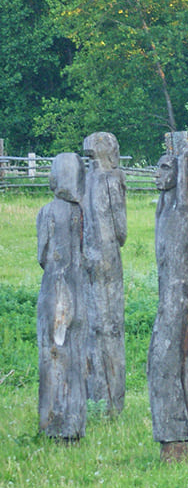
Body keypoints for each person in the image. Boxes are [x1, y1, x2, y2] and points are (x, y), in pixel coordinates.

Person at [147, 134, 188, 461]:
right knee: (163, 364)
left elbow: (186, 184)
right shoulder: (163, 205)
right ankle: (182, 438)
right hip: (166, 297)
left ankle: (179, 436)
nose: (158, 174)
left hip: (177, 299)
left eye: (165, 168)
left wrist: (184, 150)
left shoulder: (184, 206)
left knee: (165, 364)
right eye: (157, 168)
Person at [37, 153, 87, 440]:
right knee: (75, 352)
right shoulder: (81, 214)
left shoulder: (46, 212)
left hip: (54, 286)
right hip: (78, 288)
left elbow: (42, 254)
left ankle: (55, 422)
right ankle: (73, 421)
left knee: (54, 351)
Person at [81, 132, 127, 416]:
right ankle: (107, 399)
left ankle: (100, 396)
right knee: (108, 322)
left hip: (88, 253)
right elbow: (121, 229)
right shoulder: (112, 179)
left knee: (96, 321)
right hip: (107, 254)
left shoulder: (86, 180)